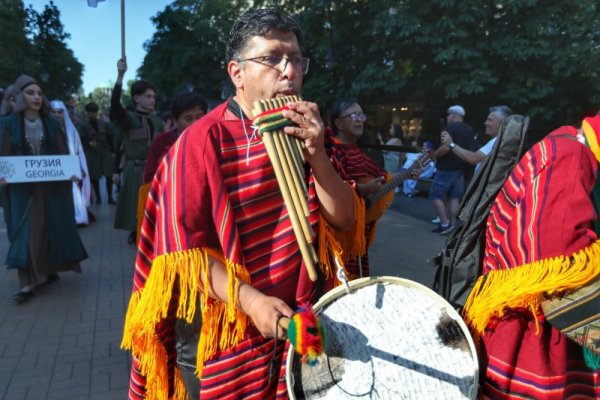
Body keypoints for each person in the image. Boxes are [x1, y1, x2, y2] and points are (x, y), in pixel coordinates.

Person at [121, 9, 357, 400]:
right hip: (231, 324)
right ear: (237, 73)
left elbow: (345, 220)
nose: (289, 71)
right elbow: (185, 256)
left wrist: (317, 155)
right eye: (271, 58)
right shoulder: (199, 142)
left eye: (296, 59)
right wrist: (251, 300)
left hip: (306, 318)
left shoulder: (311, 130)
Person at [462, 115, 600, 399]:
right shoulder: (571, 156)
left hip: (533, 326)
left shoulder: (573, 146)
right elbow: (557, 263)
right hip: (534, 337)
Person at [0, 75, 87, 304]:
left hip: (51, 188)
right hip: (21, 190)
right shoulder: (7, 124)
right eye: (30, 93)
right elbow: (5, 155)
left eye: (39, 93)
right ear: (19, 96)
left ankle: (49, 269)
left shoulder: (51, 123)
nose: (37, 97)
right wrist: (3, 175)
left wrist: (69, 170)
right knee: (25, 232)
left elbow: (61, 153)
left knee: (51, 226)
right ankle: (27, 282)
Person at [329, 99, 388, 279]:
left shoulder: (355, 150)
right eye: (353, 115)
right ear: (338, 123)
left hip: (358, 231)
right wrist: (363, 189)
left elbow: (380, 175)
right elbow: (332, 189)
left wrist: (408, 173)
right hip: (340, 233)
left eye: (361, 115)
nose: (360, 120)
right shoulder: (330, 150)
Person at [109, 60, 164, 244]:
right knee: (135, 205)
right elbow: (115, 107)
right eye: (148, 96)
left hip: (157, 171)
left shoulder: (158, 122)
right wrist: (120, 77)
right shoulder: (129, 119)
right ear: (136, 98)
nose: (152, 100)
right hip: (136, 170)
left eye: (153, 97)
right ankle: (136, 233)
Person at [142, 91, 207, 184]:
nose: (195, 123)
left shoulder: (213, 140)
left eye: (199, 117)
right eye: (188, 119)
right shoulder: (162, 142)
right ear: (175, 121)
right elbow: (150, 176)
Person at [430, 105, 476, 235]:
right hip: (460, 167)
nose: (448, 117)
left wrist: (434, 155)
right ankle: (453, 225)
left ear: (454, 115)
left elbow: (445, 148)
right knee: (454, 197)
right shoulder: (469, 129)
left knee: (435, 195)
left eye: (449, 115)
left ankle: (444, 224)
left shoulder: (449, 128)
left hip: (446, 168)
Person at [50, 100, 92, 225]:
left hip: (69, 169)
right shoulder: (46, 129)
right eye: (54, 112)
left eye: (60, 112)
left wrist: (80, 168)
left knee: (72, 192)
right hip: (51, 168)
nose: (57, 115)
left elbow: (78, 151)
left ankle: (76, 217)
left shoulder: (72, 131)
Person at [441, 105, 512, 171]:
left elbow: (474, 158)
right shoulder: (505, 140)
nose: (485, 123)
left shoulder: (498, 141)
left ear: (502, 123)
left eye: (490, 120)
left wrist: (450, 144)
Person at [79, 102, 116, 204]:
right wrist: (88, 143)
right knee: (94, 175)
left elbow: (110, 137)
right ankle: (98, 197)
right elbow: (81, 139)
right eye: (91, 112)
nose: (93, 114)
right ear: (87, 113)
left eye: (94, 112)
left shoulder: (103, 124)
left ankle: (110, 197)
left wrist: (112, 150)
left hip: (104, 149)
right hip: (91, 152)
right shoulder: (83, 125)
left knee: (109, 174)